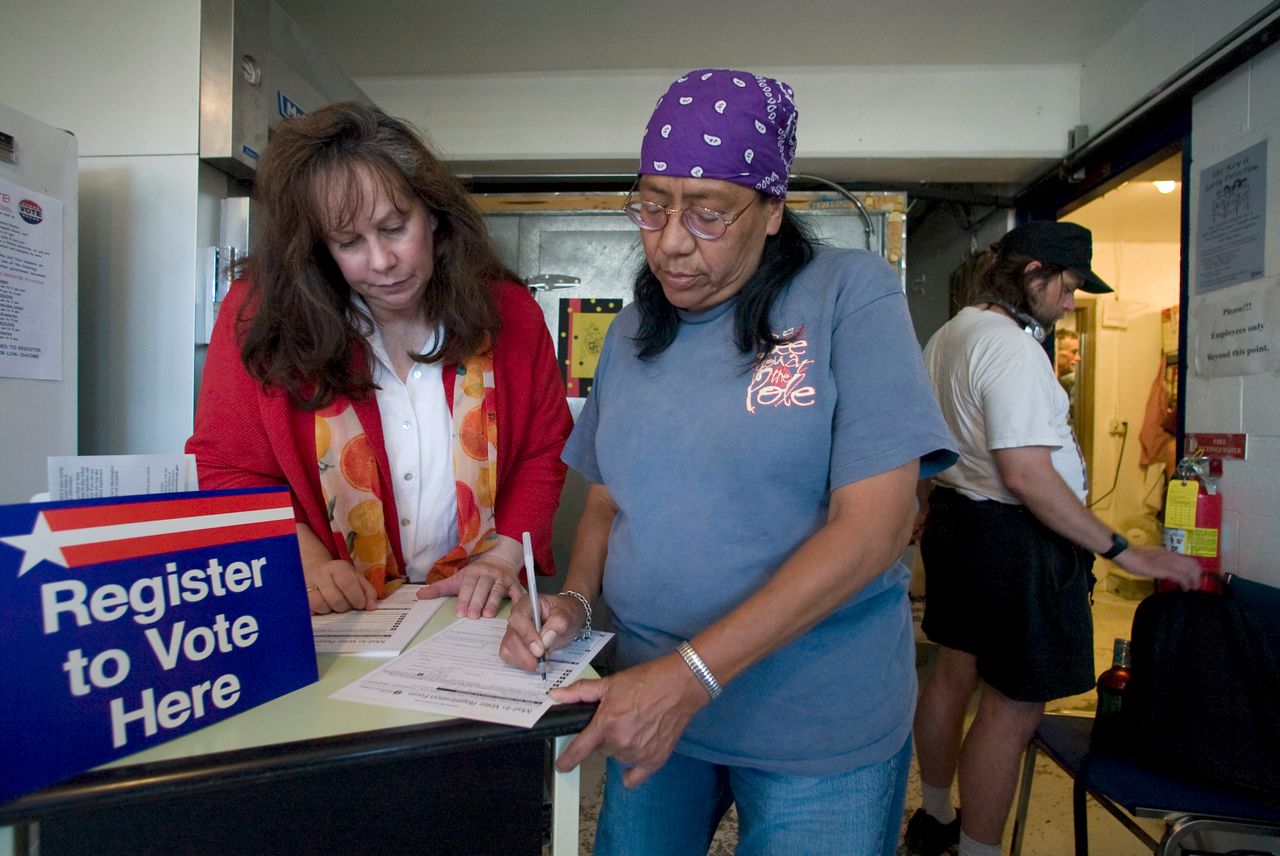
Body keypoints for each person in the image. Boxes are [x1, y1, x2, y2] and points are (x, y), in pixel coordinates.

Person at [499, 69, 957, 855]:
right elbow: (607, 499)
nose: (671, 240)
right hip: (652, 697)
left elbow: (875, 530)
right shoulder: (634, 330)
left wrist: (691, 676)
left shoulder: (848, 295)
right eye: (652, 206)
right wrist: (573, 602)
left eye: (708, 212)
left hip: (814, 720)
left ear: (772, 210)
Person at [187, 103, 572, 618]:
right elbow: (228, 468)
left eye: (394, 228)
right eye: (349, 242)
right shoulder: (262, 315)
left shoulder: (510, 313)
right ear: (319, 249)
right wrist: (308, 561)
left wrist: (502, 559)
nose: (382, 261)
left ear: (431, 213)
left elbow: (544, 451)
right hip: (332, 613)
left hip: (473, 610)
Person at [905, 221, 1201, 856]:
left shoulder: (949, 336)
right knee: (1012, 709)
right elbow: (1026, 473)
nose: (1070, 303)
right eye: (1067, 286)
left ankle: (934, 818)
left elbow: (930, 444)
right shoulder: (1010, 347)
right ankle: (978, 850)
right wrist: (1122, 549)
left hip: (961, 525)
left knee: (952, 676)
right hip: (1014, 541)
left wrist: (924, 505)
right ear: (1032, 273)